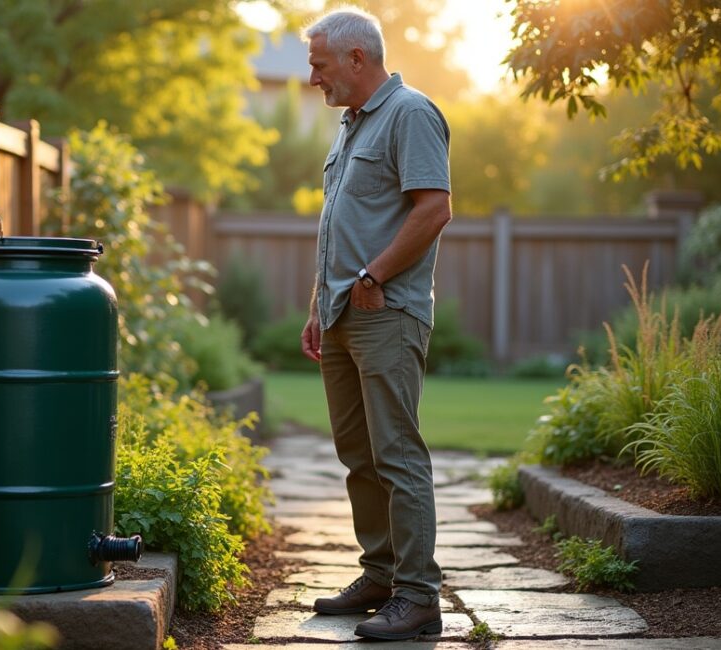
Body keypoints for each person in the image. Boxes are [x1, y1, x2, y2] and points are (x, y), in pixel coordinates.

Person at [298, 7, 453, 642]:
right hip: (340, 314)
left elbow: (434, 209)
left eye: (319, 64)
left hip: (385, 312)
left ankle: (418, 597)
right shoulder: (350, 124)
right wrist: (318, 304)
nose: (313, 78)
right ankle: (381, 574)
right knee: (358, 455)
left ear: (357, 58)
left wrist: (373, 277)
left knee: (397, 455)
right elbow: (342, 221)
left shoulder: (412, 113)